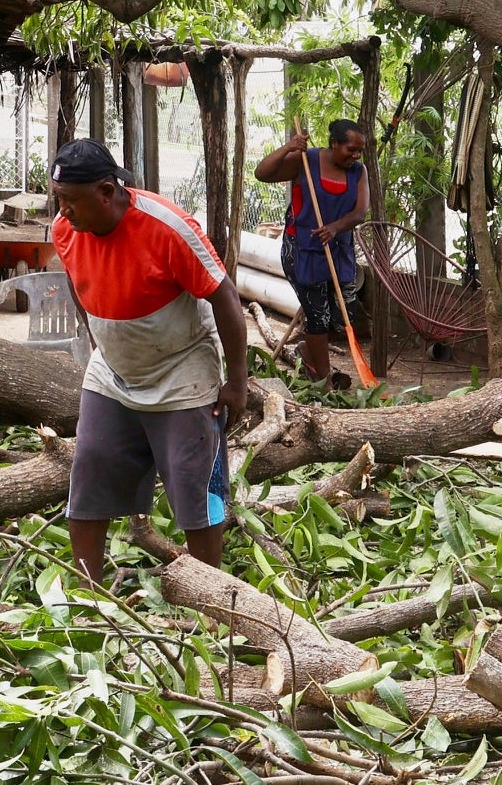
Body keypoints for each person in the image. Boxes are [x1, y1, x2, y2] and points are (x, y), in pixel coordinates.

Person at [46, 138, 249, 582]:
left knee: (192, 480)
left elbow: (226, 298)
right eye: (58, 200)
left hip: (182, 367)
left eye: (71, 201)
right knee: (91, 468)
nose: (63, 213)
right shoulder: (66, 231)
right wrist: (102, 345)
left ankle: (207, 594)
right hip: (114, 371)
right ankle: (90, 594)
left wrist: (237, 382)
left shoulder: (168, 227)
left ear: (105, 191)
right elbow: (82, 291)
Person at [254, 120, 369, 384]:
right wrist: (288, 147)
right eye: (351, 149)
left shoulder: (358, 171)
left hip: (338, 252)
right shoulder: (306, 160)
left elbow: (360, 211)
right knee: (317, 315)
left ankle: (307, 352)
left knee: (341, 316)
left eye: (359, 151)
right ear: (334, 144)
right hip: (302, 251)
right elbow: (262, 173)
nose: (356, 156)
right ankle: (324, 379)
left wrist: (335, 227)